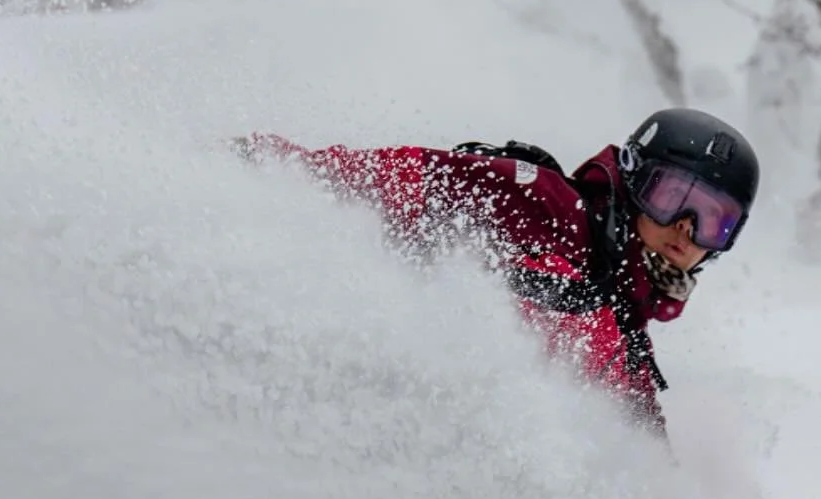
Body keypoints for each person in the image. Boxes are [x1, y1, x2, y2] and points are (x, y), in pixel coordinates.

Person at [234, 108, 759, 435]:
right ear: (631, 181)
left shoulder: (626, 321)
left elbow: (637, 439)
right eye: (671, 197)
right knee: (583, 312)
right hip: (361, 348)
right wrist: (272, 166)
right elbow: (411, 176)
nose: (685, 230)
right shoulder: (547, 202)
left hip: (460, 433)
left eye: (715, 221)